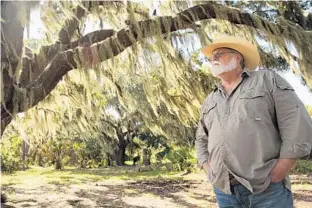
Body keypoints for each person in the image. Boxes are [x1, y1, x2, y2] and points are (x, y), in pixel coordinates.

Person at [195, 36, 312, 208]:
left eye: (219, 54)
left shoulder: (266, 80)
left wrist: (282, 168)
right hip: (225, 192)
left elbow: (296, 121)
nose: (213, 59)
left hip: (267, 189)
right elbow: (201, 138)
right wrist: (207, 167)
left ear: (238, 58)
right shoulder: (211, 99)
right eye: (212, 57)